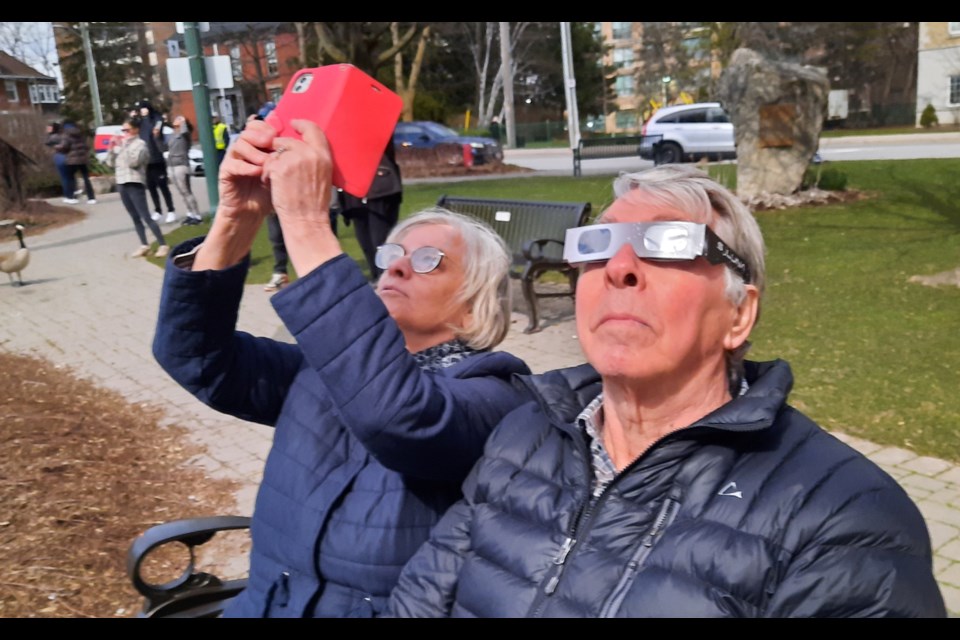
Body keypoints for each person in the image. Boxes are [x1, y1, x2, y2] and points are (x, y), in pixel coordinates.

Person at [386, 164, 948, 618]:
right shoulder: (523, 435)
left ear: (739, 314)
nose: (620, 267)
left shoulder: (844, 522)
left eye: (670, 244)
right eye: (598, 244)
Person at [150, 117, 533, 617]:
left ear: (472, 305)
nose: (394, 265)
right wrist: (236, 220)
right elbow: (196, 357)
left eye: (427, 260)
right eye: (392, 253)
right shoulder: (320, 367)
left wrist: (308, 223)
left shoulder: (499, 397)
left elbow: (397, 414)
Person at [105, 116, 170, 259]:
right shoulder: (122, 144)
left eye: (127, 130)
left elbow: (134, 162)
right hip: (121, 181)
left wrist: (124, 146)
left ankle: (162, 244)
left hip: (134, 182)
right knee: (134, 216)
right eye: (123, 130)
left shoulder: (140, 144)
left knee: (145, 215)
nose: (124, 133)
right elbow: (110, 163)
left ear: (135, 130)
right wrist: (111, 149)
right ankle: (144, 245)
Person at [338, 139, 402, 280]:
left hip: (378, 188)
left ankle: (386, 279)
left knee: (380, 241)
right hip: (353, 189)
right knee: (366, 242)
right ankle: (377, 278)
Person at [136, 100, 178, 224]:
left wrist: (155, 128)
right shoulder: (140, 122)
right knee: (151, 186)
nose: (142, 111)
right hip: (146, 160)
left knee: (163, 186)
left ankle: (171, 210)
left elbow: (158, 126)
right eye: (140, 109)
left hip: (157, 158)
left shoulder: (156, 119)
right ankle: (158, 210)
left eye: (144, 108)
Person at [166, 115, 203, 226]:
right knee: (181, 193)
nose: (176, 119)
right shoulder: (173, 135)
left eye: (179, 119)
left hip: (181, 165)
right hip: (172, 165)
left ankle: (197, 215)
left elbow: (185, 131)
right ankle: (190, 213)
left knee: (186, 191)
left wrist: (183, 122)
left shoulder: (184, 135)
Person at [56, 122, 97, 205]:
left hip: (72, 160)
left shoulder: (66, 135)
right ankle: (91, 198)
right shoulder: (80, 135)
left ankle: (71, 197)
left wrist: (57, 147)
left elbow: (64, 146)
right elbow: (86, 146)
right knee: (86, 178)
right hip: (83, 159)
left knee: (70, 178)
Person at [45, 121, 73, 204]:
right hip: (67, 156)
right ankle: (71, 193)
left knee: (64, 177)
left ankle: (68, 195)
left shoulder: (54, 137)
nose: (47, 129)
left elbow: (47, 143)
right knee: (69, 176)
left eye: (49, 127)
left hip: (60, 156)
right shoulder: (62, 136)